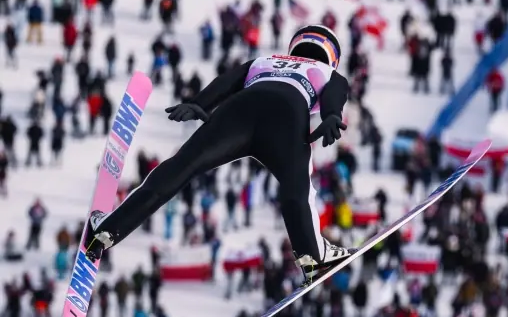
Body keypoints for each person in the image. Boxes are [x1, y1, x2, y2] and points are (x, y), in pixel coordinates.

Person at [84, 25, 351, 282]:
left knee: (181, 167)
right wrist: (331, 115)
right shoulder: (326, 72)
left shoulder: (265, 59)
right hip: (286, 119)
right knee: (297, 192)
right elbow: (336, 92)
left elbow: (228, 81)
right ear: (332, 56)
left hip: (238, 112)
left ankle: (108, 230)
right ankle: (312, 256)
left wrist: (200, 103)